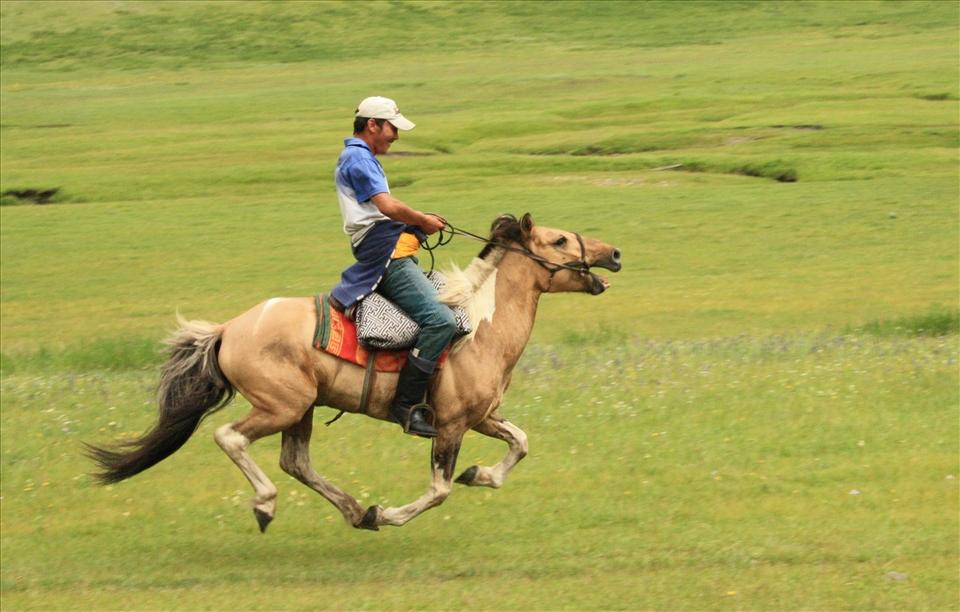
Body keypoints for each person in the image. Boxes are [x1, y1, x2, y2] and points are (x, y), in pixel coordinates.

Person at [328, 96, 457, 438]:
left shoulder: (360, 157)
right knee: (441, 320)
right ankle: (406, 405)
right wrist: (422, 220)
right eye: (392, 128)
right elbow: (386, 206)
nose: (395, 136)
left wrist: (416, 224)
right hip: (387, 255)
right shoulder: (358, 158)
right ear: (372, 124)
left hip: (390, 245)